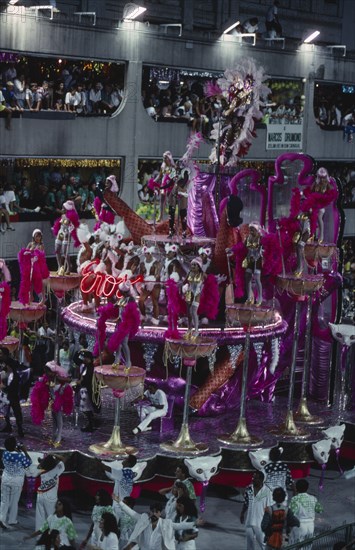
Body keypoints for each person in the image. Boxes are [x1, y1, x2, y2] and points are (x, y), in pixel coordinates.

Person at [114, 498, 202, 550]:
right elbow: (132, 513)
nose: (154, 514)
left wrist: (194, 523)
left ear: (160, 513)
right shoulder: (144, 520)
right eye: (152, 511)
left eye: (157, 512)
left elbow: (179, 526)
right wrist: (120, 502)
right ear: (150, 512)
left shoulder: (166, 523)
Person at [0, 436, 32, 528]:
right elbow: (28, 463)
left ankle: (1, 519)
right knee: (14, 501)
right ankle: (12, 520)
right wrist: (25, 451)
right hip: (17, 480)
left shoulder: (5, 453)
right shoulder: (21, 455)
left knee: (4, 500)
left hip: (6, 478)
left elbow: (12, 453)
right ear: (14, 445)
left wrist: (17, 449)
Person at [240, 471, 273, 550]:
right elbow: (246, 502)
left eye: (255, 478)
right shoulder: (249, 488)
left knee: (263, 544)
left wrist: (271, 523)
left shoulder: (267, 491)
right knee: (249, 544)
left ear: (261, 480)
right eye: (253, 477)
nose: (253, 479)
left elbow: (270, 508)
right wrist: (242, 513)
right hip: (249, 521)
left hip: (260, 523)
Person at [35, 454, 67, 530]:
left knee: (40, 517)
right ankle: (52, 535)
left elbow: (40, 465)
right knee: (52, 516)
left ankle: (39, 535)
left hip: (40, 495)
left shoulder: (41, 471)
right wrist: (53, 454)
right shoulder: (57, 470)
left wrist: (45, 460)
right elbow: (64, 458)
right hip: (51, 497)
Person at [289, 479, 323, 544]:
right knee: (308, 545)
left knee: (297, 545)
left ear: (296, 488)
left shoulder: (295, 499)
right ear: (307, 488)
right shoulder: (313, 498)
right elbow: (320, 510)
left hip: (299, 525)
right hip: (310, 526)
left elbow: (290, 513)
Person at [0, 347, 24, 437]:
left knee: (16, 408)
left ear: (5, 355)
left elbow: (15, 377)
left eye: (1, 354)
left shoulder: (12, 363)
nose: (0, 355)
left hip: (12, 390)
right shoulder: (2, 362)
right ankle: (8, 426)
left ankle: (20, 428)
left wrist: (8, 386)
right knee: (5, 409)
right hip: (5, 391)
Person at [76, 350, 101, 432]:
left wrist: (81, 381)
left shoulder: (92, 368)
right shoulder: (85, 367)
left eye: (86, 358)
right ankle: (90, 423)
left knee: (88, 408)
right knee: (86, 409)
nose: (84, 359)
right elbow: (75, 359)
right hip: (84, 390)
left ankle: (90, 424)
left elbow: (88, 379)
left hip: (88, 391)